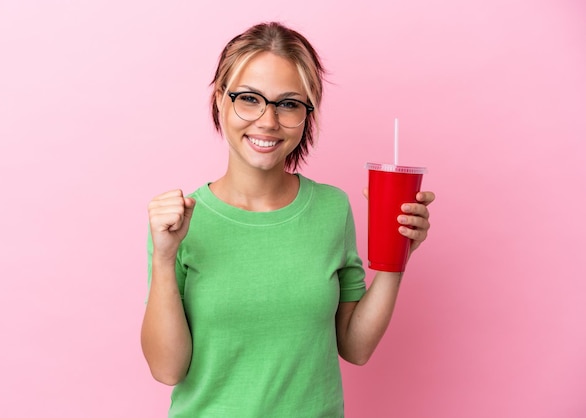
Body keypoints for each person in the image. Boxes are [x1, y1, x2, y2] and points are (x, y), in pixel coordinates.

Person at [141, 21, 435, 417]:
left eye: (289, 103)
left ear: (306, 114)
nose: (267, 121)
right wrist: (163, 258)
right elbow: (166, 369)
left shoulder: (332, 209)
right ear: (219, 101)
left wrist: (399, 252)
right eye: (249, 98)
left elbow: (355, 347)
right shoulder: (179, 222)